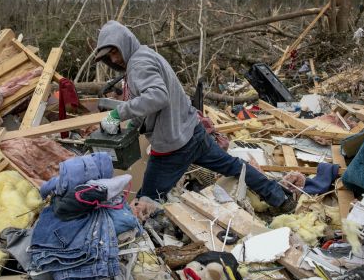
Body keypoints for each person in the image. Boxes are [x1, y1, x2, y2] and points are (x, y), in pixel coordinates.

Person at [94, 20, 295, 214]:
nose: (114, 60)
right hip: (193, 131)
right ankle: (280, 198)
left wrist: (116, 114)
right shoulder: (145, 55)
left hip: (174, 146)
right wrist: (133, 126)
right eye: (108, 56)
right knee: (233, 166)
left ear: (125, 43)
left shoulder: (138, 64)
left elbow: (157, 96)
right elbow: (146, 102)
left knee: (147, 198)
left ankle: (143, 240)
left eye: (115, 51)